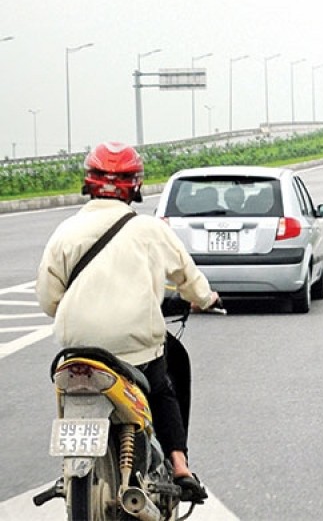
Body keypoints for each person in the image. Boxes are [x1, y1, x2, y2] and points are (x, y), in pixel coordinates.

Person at [35, 141, 219, 502]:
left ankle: (69, 472)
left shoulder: (65, 232)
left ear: (88, 182)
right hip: (135, 352)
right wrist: (206, 299)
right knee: (164, 385)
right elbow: (189, 279)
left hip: (76, 350)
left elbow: (48, 300)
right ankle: (180, 466)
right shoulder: (150, 230)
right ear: (134, 185)